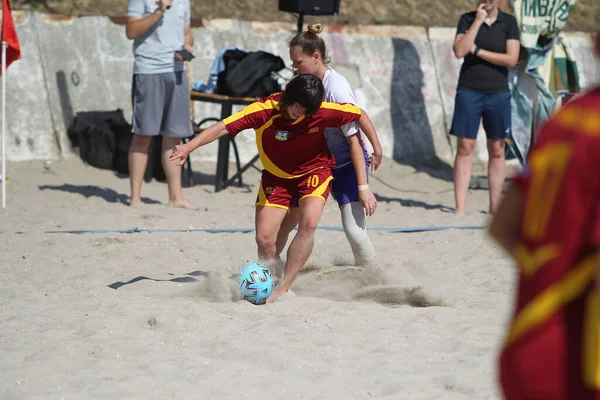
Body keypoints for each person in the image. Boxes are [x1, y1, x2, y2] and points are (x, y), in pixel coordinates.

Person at [169, 74, 380, 303]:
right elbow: (222, 127)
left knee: (309, 223)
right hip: (276, 178)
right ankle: (272, 278)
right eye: (298, 105)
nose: (302, 112)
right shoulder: (264, 110)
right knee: (265, 241)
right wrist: (188, 147)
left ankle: (285, 286)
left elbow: (359, 114)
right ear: (289, 97)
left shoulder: (321, 110)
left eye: (308, 109)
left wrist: (376, 148)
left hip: (314, 173)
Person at [488, 32, 600, 400]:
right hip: (577, 366)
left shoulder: (566, 121)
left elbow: (503, 226)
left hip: (528, 346)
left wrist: (552, 272)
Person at [275, 23, 384, 267]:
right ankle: (270, 264)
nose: (294, 68)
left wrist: (363, 185)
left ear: (316, 57)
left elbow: (354, 135)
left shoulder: (336, 88)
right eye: (292, 63)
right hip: (317, 164)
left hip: (346, 163)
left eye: (298, 62)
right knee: (289, 221)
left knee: (355, 231)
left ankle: (373, 276)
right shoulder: (305, 84)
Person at [126, 0, 197, 209]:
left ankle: (176, 197)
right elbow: (131, 31)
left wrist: (188, 47)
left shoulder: (184, 1)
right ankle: (135, 197)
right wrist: (159, 11)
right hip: (148, 70)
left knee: (174, 136)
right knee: (143, 134)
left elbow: (186, 34)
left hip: (176, 71)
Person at [451, 0, 520, 215]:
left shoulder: (509, 22)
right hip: (469, 89)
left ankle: (494, 207)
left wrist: (478, 50)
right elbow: (460, 51)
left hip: (498, 92)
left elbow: (512, 59)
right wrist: (478, 22)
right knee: (465, 147)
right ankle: (460, 208)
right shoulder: (467, 19)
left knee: (497, 149)